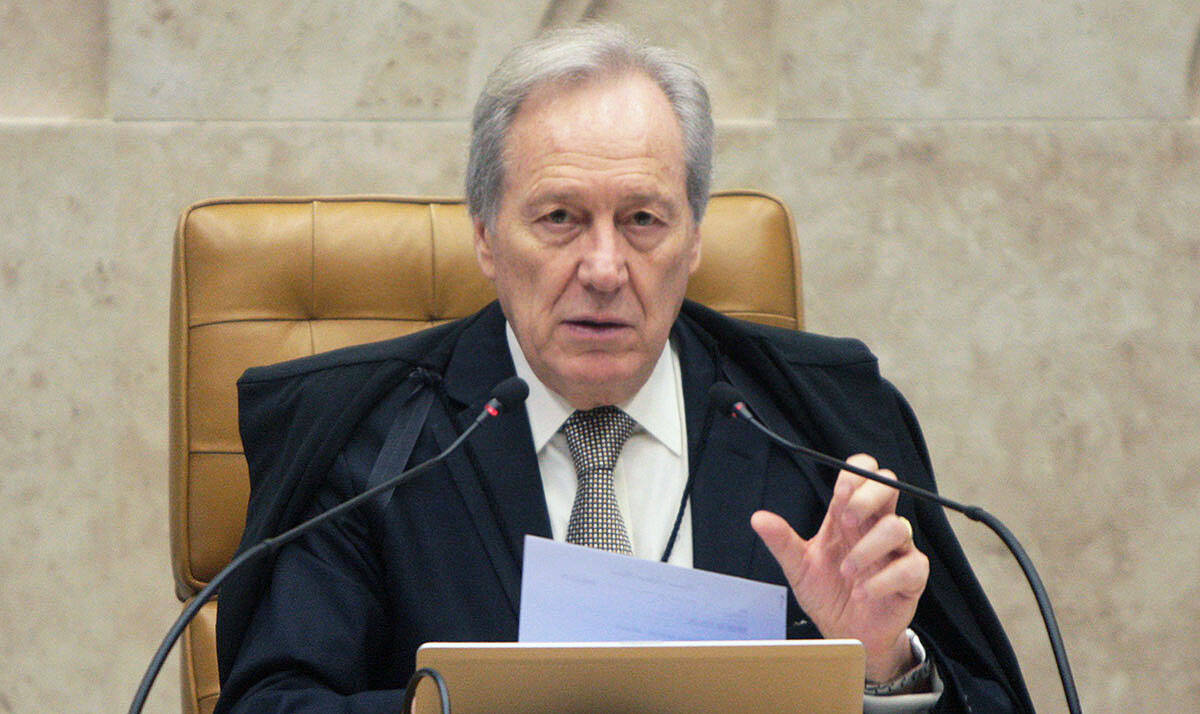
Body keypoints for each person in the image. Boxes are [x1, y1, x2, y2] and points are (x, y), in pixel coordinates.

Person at [214, 24, 1033, 713]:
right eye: (561, 218)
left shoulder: (819, 430)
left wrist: (879, 665)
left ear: (696, 240)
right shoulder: (376, 441)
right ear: (486, 236)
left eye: (642, 219)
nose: (604, 267)